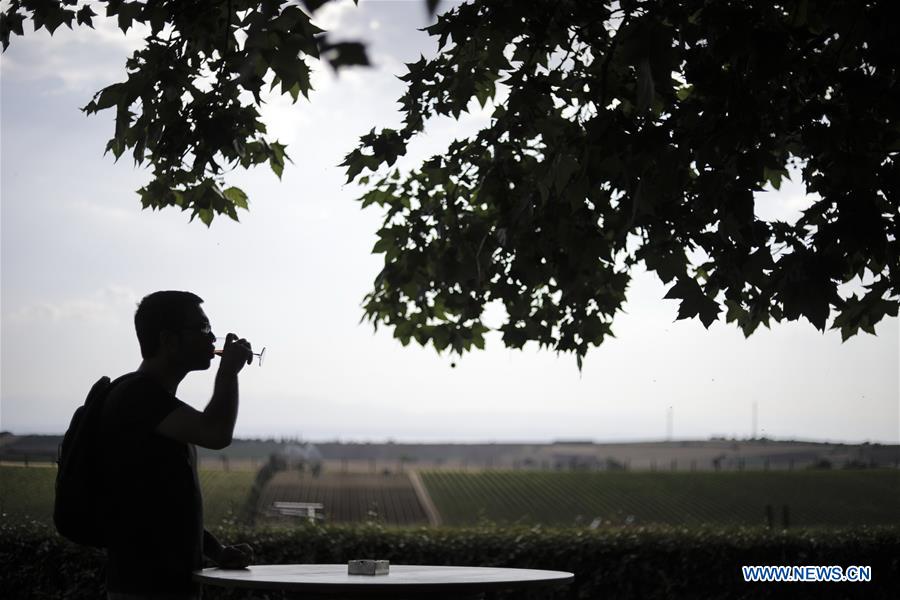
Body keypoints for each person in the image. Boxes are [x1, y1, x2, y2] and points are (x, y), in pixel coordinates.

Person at [99, 291, 255, 600]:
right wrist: (228, 372)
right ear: (169, 340)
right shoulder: (138, 398)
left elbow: (164, 505)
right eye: (202, 329)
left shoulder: (155, 403)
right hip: (144, 588)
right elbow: (216, 433)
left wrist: (215, 551)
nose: (213, 337)